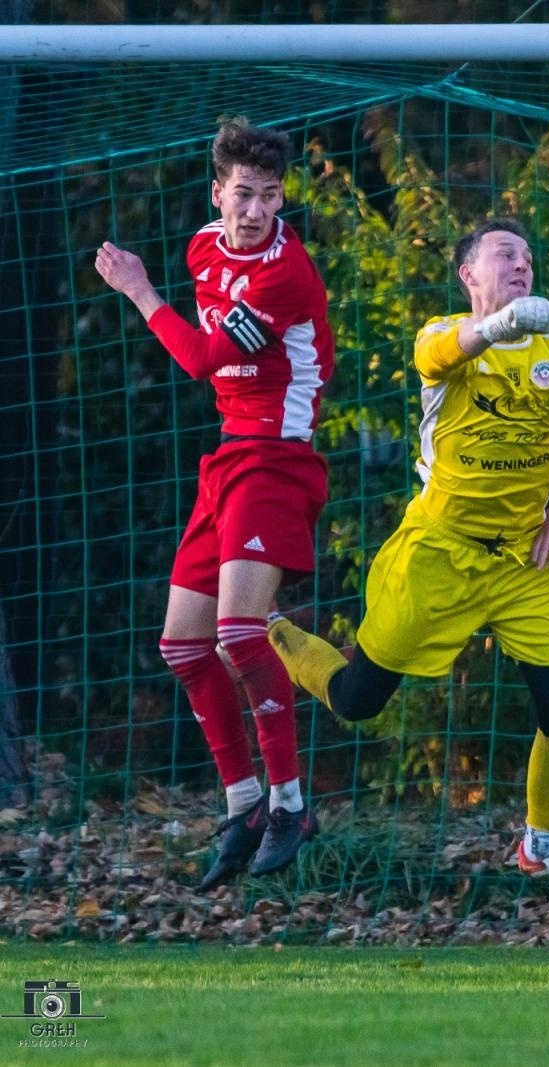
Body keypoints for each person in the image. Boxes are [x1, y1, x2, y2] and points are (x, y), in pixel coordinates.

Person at [266, 218, 549, 900]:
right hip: (440, 554)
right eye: (506, 253)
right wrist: (498, 327)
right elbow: (444, 350)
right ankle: (275, 633)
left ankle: (543, 844)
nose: (522, 263)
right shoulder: (444, 336)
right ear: (469, 274)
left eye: (530, 254)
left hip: (526, 559)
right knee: (359, 700)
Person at [94, 117, 334, 889]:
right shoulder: (204, 247)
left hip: (278, 459)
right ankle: (243, 803)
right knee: (182, 645)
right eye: (243, 194)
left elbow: (199, 359)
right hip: (231, 456)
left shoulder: (284, 275)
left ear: (283, 199)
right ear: (217, 194)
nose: (256, 209)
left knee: (238, 632)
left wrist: (137, 289)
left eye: (269, 196)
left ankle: (292, 801)